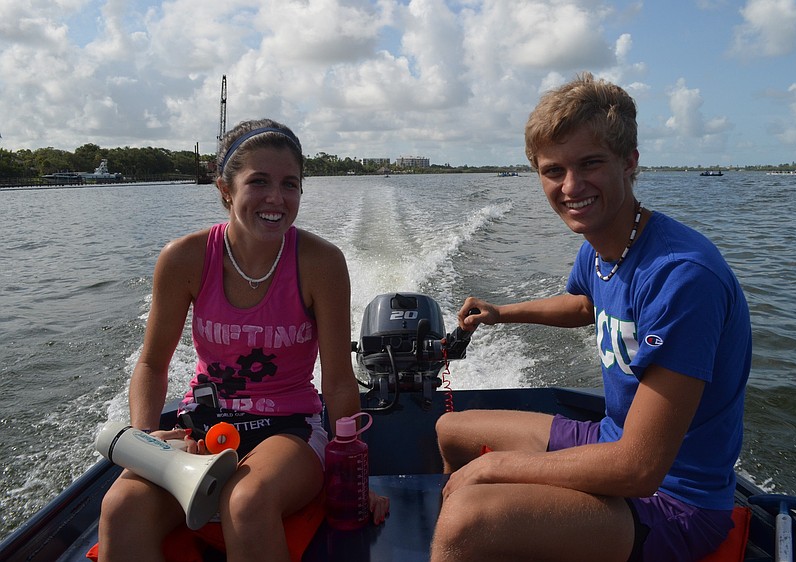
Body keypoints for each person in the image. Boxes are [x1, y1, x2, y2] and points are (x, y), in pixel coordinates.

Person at [430, 73, 751, 562]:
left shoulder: (682, 277)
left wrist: (496, 469)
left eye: (590, 164)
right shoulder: (602, 245)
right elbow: (584, 304)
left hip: (674, 501)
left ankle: (472, 537)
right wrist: (501, 314)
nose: (571, 186)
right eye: (553, 170)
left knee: (466, 519)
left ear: (629, 162)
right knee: (451, 431)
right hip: (609, 439)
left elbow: (639, 468)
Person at [98, 119, 388, 562]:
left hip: (289, 429)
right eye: (259, 181)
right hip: (203, 425)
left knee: (246, 500)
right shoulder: (184, 259)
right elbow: (152, 364)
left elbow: (338, 381)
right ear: (225, 189)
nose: (276, 198)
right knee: (121, 508)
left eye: (290, 184)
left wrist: (352, 476)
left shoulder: (321, 263)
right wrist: (146, 443)